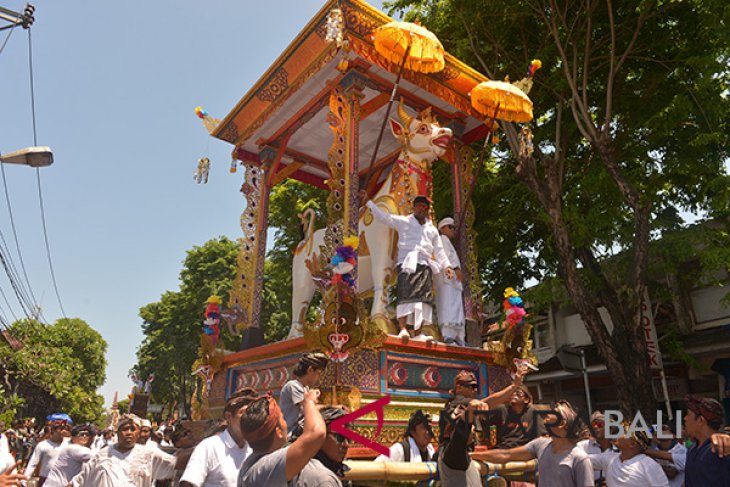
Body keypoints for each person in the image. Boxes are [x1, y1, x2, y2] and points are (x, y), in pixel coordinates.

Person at [361, 191, 453, 341]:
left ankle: (418, 333)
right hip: (407, 264)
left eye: (425, 206)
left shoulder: (432, 230)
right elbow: (384, 217)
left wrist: (447, 266)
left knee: (423, 300)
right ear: (414, 208)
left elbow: (439, 250)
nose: (422, 209)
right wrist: (368, 203)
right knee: (405, 297)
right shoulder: (404, 222)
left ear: (427, 209)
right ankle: (403, 329)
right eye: (419, 206)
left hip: (425, 265)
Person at [474, 400, 595, 487]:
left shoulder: (579, 459)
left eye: (554, 411)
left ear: (562, 423)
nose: (548, 413)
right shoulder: (541, 445)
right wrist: (471, 456)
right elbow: (506, 455)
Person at [238, 389, 326, 486]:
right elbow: (316, 434)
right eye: (282, 418)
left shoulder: (252, 463)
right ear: (279, 432)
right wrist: (309, 402)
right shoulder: (265, 468)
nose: (286, 423)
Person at [179, 388, 257, 487]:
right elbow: (188, 483)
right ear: (229, 417)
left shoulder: (254, 450)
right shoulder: (209, 447)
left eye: (252, 413)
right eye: (243, 413)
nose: (248, 418)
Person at [72, 416, 178, 487]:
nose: (129, 433)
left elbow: (175, 464)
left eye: (133, 429)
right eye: (125, 429)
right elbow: (79, 481)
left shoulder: (149, 454)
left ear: (138, 433)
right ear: (117, 432)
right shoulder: (102, 455)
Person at [587, 421, 668, 487]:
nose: (618, 434)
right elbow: (580, 460)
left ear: (632, 444)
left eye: (624, 432)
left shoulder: (649, 465)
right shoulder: (609, 458)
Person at [289, 407, 351, 484]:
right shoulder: (324, 479)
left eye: (348, 438)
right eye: (339, 437)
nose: (346, 444)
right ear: (321, 436)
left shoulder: (297, 465)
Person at [682, 395, 730, 486]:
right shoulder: (692, 448)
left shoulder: (722, 447)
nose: (685, 419)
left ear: (700, 420)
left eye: (688, 415)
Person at [434, 217, 466, 346]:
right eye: (450, 227)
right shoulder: (442, 240)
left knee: (455, 306)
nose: (453, 230)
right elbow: (445, 256)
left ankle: (458, 337)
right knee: (447, 305)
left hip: (453, 282)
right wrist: (456, 268)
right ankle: (448, 335)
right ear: (442, 229)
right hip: (447, 279)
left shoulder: (447, 241)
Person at [280, 353, 329, 435]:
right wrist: (331, 406)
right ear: (310, 370)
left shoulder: (306, 389)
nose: (319, 378)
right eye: (318, 373)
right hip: (291, 432)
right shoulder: (293, 386)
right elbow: (309, 408)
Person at [23, 418, 71, 486]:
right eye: (60, 429)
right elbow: (33, 464)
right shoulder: (43, 445)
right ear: (53, 431)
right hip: (45, 480)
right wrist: (24, 479)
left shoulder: (70, 443)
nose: (62, 432)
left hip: (63, 481)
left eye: (64, 429)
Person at [577, 411, 618, 486]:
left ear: (610, 429)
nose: (595, 427)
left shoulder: (619, 449)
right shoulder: (581, 447)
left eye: (600, 424)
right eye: (593, 425)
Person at [644, 423, 686, 487]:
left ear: (673, 435)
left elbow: (671, 473)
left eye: (664, 429)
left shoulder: (681, 451)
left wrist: (652, 461)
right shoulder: (654, 449)